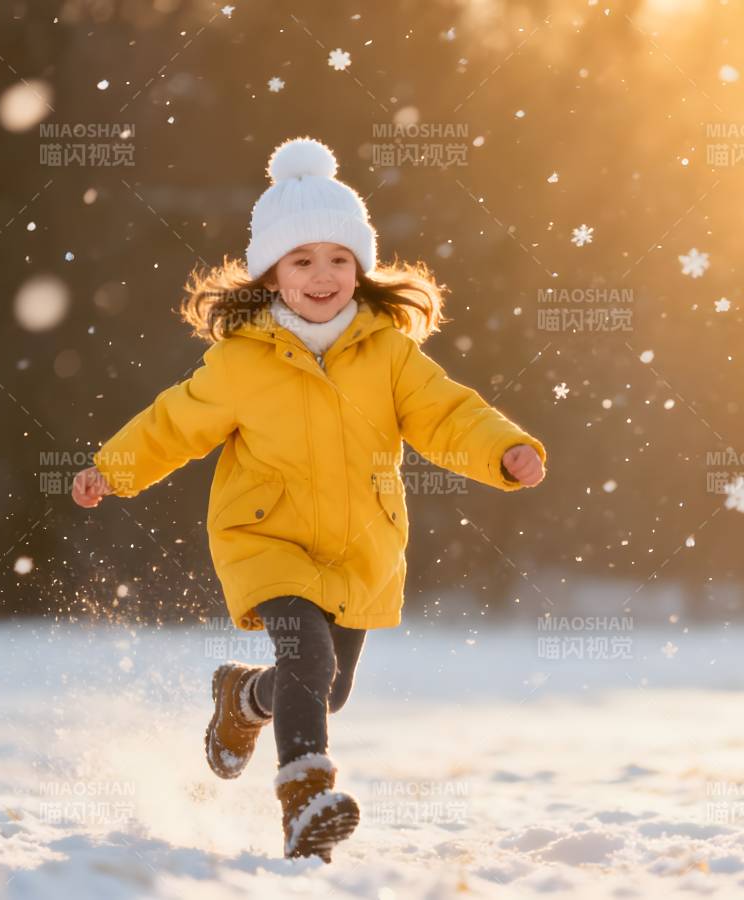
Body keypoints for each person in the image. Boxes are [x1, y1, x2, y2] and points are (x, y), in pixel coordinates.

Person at [72, 136, 547, 862]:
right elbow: (175, 423)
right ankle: (304, 799)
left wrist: (505, 452)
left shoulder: (390, 353)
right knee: (307, 659)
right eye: (302, 260)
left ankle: (243, 699)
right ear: (271, 273)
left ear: (360, 266)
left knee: (326, 690)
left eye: (339, 259)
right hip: (266, 540)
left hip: (361, 549)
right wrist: (114, 468)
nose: (323, 275)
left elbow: (447, 415)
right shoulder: (241, 361)